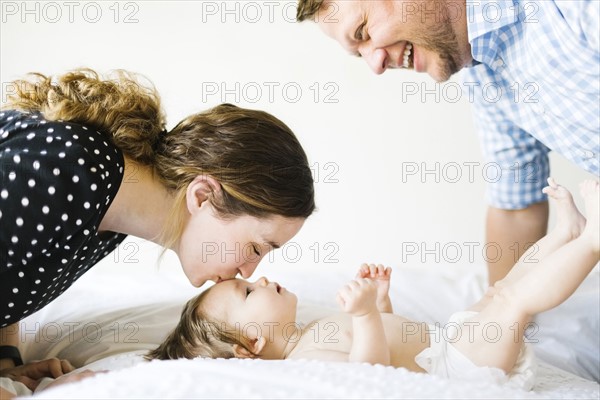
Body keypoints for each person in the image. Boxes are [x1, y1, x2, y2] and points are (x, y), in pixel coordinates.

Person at [0, 68, 315, 390]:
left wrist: (6, 364)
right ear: (203, 196)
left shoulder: (111, 212)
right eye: (255, 248)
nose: (248, 271)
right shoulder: (69, 168)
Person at [147, 178, 599, 390]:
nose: (259, 276)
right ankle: (592, 242)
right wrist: (363, 315)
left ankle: (565, 233)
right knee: (515, 302)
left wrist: (380, 304)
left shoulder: (311, 331)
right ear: (251, 342)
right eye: (247, 293)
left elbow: (385, 339)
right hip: (462, 366)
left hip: (452, 342)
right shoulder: (306, 360)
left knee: (502, 291)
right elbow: (370, 371)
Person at [295, 0, 600, 285]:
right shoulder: (483, 76)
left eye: (363, 32)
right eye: (359, 52)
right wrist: (500, 318)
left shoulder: (571, 9)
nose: (375, 64)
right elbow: (516, 207)